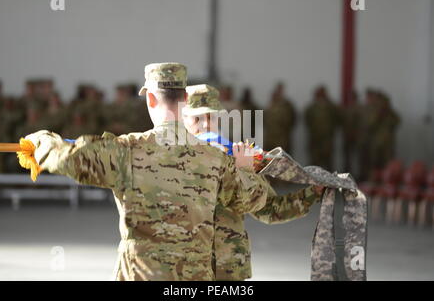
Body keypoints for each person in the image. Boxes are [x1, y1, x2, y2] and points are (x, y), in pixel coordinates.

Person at [23, 62, 269, 281]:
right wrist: (245, 169)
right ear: (185, 99)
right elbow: (252, 200)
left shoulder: (126, 150)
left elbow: (66, 158)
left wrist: (39, 140)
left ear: (150, 98)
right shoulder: (215, 157)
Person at [182, 84, 323, 280]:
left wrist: (313, 193)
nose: (205, 125)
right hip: (184, 269)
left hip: (227, 268)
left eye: (211, 118)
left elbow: (271, 210)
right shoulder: (167, 161)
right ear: (182, 120)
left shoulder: (237, 156)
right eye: (197, 118)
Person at [304, 85, 340, 170]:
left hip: (327, 139)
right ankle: (314, 181)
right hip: (315, 138)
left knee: (328, 161)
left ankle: (328, 181)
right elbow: (307, 119)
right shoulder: (312, 107)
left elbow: (337, 118)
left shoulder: (331, 107)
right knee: (314, 161)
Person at [264, 82, 296, 154]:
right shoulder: (269, 107)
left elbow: (292, 119)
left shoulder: (287, 105)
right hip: (270, 138)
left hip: (282, 138)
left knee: (282, 158)